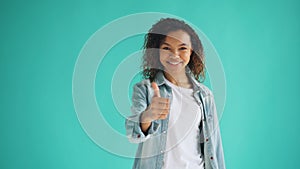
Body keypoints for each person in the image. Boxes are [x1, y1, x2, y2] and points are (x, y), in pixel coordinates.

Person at [125, 18, 225, 169]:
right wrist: (148, 115)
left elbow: (215, 148)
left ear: (192, 51)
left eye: (182, 48)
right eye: (166, 48)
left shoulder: (205, 96)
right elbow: (133, 134)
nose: (175, 55)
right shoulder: (145, 89)